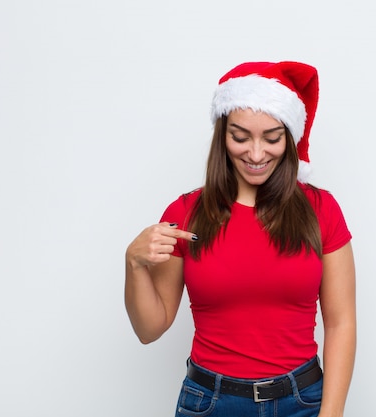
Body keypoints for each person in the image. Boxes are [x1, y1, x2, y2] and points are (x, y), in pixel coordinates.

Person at [125, 61, 356, 417]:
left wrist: (332, 413)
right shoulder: (184, 212)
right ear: (222, 134)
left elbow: (341, 322)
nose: (256, 153)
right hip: (210, 403)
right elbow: (149, 329)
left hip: (302, 403)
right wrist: (134, 264)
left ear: (290, 137)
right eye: (241, 136)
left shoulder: (321, 209)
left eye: (272, 137)